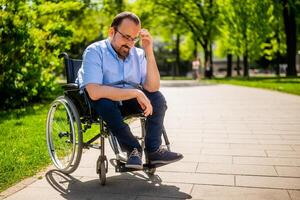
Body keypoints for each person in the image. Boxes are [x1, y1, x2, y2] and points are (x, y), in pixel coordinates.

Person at [76, 12, 183, 170]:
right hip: (102, 104)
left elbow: (152, 87)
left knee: (157, 99)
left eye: (134, 39)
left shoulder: (137, 53)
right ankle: (133, 149)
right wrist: (136, 93)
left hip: (127, 100)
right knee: (104, 102)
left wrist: (148, 50)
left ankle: (153, 151)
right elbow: (94, 91)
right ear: (111, 32)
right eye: (126, 37)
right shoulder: (95, 51)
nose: (130, 44)